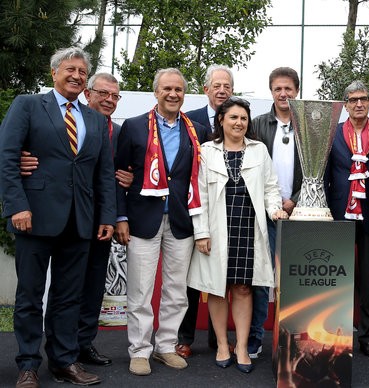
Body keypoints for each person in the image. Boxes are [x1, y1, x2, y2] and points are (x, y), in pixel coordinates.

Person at [0, 47, 116, 387]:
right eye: (70, 69)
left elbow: (104, 174)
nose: (77, 76)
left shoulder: (95, 119)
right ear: (54, 73)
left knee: (69, 297)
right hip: (33, 218)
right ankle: (27, 364)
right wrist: (17, 205)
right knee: (30, 296)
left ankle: (64, 361)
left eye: (82, 71)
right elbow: (7, 158)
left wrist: (106, 215)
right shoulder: (28, 105)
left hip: (80, 221)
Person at [17, 73, 134, 368]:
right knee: (48, 291)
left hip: (98, 219)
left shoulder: (120, 132)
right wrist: (20, 160)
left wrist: (128, 184)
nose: (109, 100)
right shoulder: (44, 114)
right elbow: (23, 152)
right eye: (103, 94)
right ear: (88, 94)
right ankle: (36, 358)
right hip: (54, 215)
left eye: (115, 96)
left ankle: (81, 345)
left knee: (91, 286)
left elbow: (117, 173)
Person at [114, 68, 209, 376]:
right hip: (143, 219)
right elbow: (119, 175)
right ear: (156, 92)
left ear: (184, 94)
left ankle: (165, 346)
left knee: (176, 290)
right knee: (141, 290)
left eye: (179, 89)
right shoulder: (134, 126)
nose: (173, 94)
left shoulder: (196, 129)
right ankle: (140, 350)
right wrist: (121, 217)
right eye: (167, 88)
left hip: (182, 221)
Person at [187, 97, 288, 374]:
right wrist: (201, 233)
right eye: (233, 117)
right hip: (216, 228)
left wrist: (275, 210)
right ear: (221, 120)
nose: (239, 123)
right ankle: (222, 344)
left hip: (248, 227)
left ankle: (241, 347)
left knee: (244, 287)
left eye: (243, 118)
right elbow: (199, 194)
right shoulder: (206, 151)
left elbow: (270, 187)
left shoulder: (259, 150)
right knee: (217, 288)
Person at [176, 64, 234, 359]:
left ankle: (218, 340)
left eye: (227, 86)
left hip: (228, 211)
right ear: (206, 89)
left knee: (221, 278)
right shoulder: (190, 120)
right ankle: (184, 338)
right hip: (194, 209)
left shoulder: (239, 118)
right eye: (217, 85)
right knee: (191, 279)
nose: (222, 90)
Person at [325, 80, 369, 358]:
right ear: (345, 104)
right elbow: (323, 175)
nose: (359, 103)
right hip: (339, 215)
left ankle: (368, 336)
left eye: (364, 98)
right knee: (339, 277)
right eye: (353, 99)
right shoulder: (332, 133)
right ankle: (337, 336)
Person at [251, 66, 302, 358]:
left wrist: (293, 200)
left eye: (288, 89)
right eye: (277, 89)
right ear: (271, 92)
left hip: (298, 213)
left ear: (296, 91)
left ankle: (293, 339)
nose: (283, 94)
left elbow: (316, 169)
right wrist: (271, 204)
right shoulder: (257, 124)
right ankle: (256, 338)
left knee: (295, 279)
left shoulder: (307, 123)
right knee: (262, 279)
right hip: (264, 214)